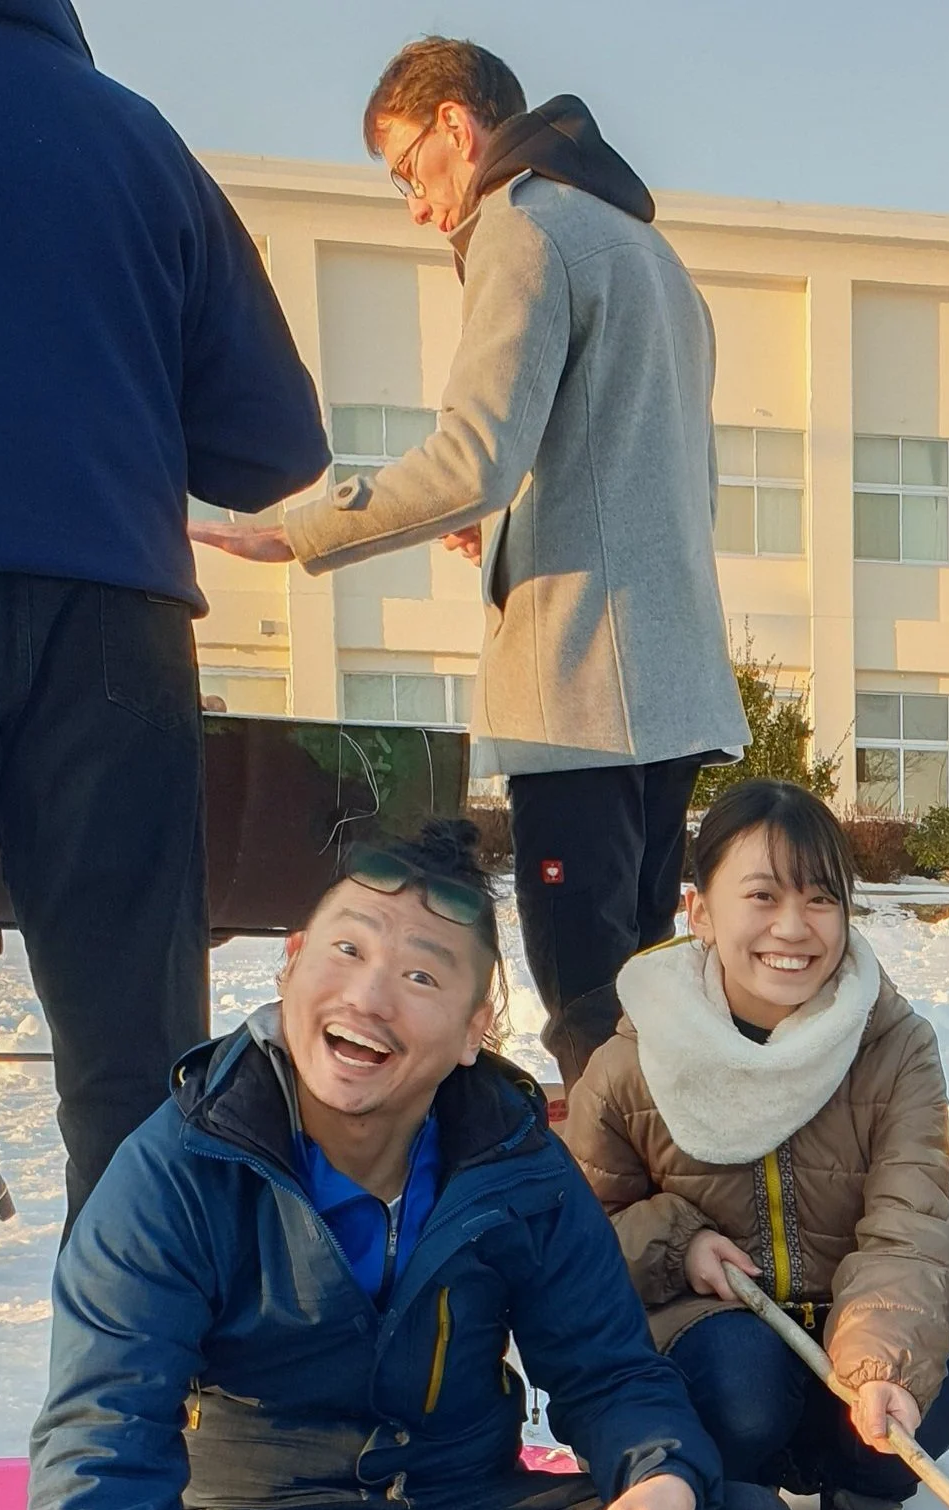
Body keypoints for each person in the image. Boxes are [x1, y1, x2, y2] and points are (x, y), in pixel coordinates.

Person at [5, 823, 798, 1510]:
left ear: (476, 1028)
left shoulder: (516, 1163)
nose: (370, 996)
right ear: (291, 967)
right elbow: (105, 1422)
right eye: (346, 950)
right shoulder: (177, 1168)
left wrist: (659, 1475)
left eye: (423, 976)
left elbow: (608, 1370)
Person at [0, 0, 328, 1458]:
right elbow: (278, 441)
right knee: (136, 1059)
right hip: (114, 617)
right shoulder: (143, 146)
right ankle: (133, 1430)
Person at [193, 38, 745, 1092]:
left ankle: (618, 1241)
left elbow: (473, 458)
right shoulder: (641, 248)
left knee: (589, 1019)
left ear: (458, 126)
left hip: (579, 692)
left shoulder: (524, 228)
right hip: (665, 689)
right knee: (649, 1012)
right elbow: (631, 471)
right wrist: (503, 528)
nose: (413, 203)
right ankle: (664, 1229)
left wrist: (296, 532)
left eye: (408, 169)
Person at [566, 781, 949, 1510]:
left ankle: (864, 1506)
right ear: (700, 911)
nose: (795, 928)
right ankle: (729, 1498)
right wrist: (676, 1243)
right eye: (762, 895)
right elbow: (576, 1248)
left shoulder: (893, 1046)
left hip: (853, 1331)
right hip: (717, 1347)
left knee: (929, 1389)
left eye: (822, 899)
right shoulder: (628, 1063)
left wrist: (878, 1371)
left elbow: (913, 1226)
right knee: (742, 1387)